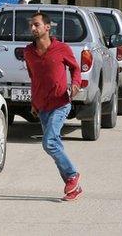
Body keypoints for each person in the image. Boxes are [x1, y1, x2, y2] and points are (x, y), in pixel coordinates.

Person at [22, 11, 83, 201]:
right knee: (55, 145)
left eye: (37, 25)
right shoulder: (28, 52)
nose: (33, 28)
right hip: (42, 106)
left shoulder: (61, 48)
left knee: (49, 143)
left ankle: (72, 175)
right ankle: (73, 187)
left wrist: (75, 84)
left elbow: (75, 68)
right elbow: (33, 78)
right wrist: (33, 101)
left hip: (60, 103)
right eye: (31, 25)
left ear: (47, 27)